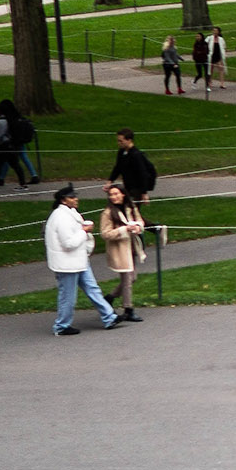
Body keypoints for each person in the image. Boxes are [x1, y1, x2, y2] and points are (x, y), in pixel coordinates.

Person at [44, 186, 119, 336]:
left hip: (78, 260)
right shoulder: (61, 217)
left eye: (75, 196)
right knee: (68, 296)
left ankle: (109, 317)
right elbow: (68, 243)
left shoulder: (69, 214)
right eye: (72, 197)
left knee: (93, 289)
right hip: (67, 264)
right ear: (63, 200)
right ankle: (61, 326)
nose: (76, 199)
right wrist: (84, 231)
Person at [98, 182, 151, 322]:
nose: (114, 197)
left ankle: (109, 297)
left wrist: (137, 227)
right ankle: (128, 309)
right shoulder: (108, 213)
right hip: (119, 250)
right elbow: (105, 234)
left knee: (133, 277)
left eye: (116, 194)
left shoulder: (130, 207)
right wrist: (124, 230)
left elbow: (140, 221)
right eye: (111, 195)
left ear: (122, 194)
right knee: (127, 279)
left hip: (132, 246)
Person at [0, 100, 35, 192]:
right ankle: (23, 184)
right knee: (15, 165)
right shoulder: (15, 118)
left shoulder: (3, 121)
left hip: (5, 145)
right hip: (14, 144)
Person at [107, 129, 158, 202]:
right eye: (118, 140)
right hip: (127, 186)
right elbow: (118, 167)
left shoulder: (136, 155)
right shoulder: (122, 152)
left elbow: (142, 173)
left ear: (129, 140)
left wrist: (144, 193)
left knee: (132, 210)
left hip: (136, 188)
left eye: (121, 141)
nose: (118, 143)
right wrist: (110, 181)